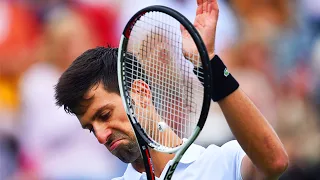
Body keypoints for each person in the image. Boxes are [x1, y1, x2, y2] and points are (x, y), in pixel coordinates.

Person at [54, 0, 289, 179]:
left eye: (104, 115)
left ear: (141, 93)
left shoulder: (221, 162)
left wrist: (209, 63)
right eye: (90, 128)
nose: (101, 136)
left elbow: (274, 161)